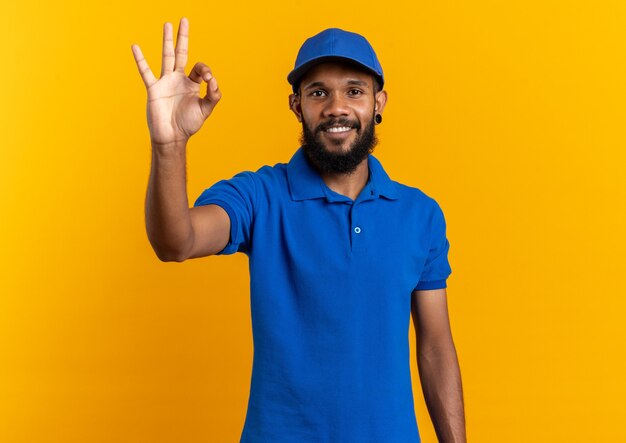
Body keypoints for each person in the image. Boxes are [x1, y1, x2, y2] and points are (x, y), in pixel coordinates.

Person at [131, 17, 466, 443]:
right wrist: (169, 144)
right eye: (318, 93)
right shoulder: (259, 196)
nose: (336, 107)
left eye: (354, 91)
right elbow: (175, 242)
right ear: (297, 106)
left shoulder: (420, 214)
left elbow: (436, 347)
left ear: (379, 103)